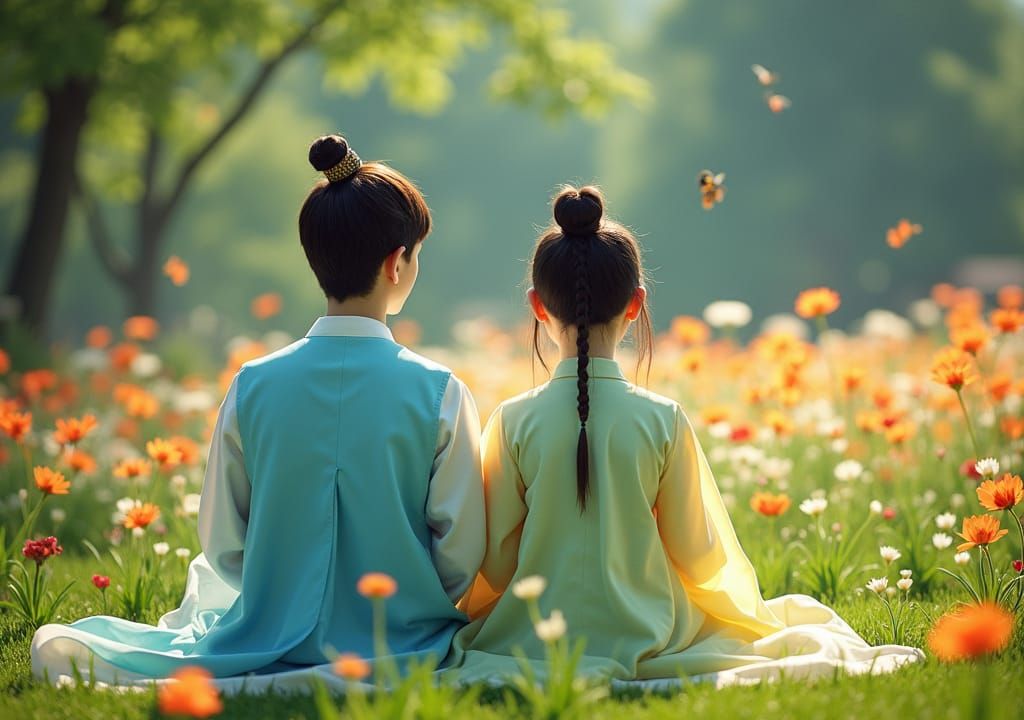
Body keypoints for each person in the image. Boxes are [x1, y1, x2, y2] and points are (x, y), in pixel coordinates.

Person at [32, 135, 485, 692]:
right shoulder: (439, 390)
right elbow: (460, 550)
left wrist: (276, 595)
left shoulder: (253, 384)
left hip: (267, 631)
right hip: (402, 637)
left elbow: (224, 540)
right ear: (398, 263)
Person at [449, 185, 924, 686]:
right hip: (651, 628)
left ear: (537, 306)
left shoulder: (512, 420)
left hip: (536, 636)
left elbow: (497, 567)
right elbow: (697, 554)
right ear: (636, 305)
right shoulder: (662, 419)